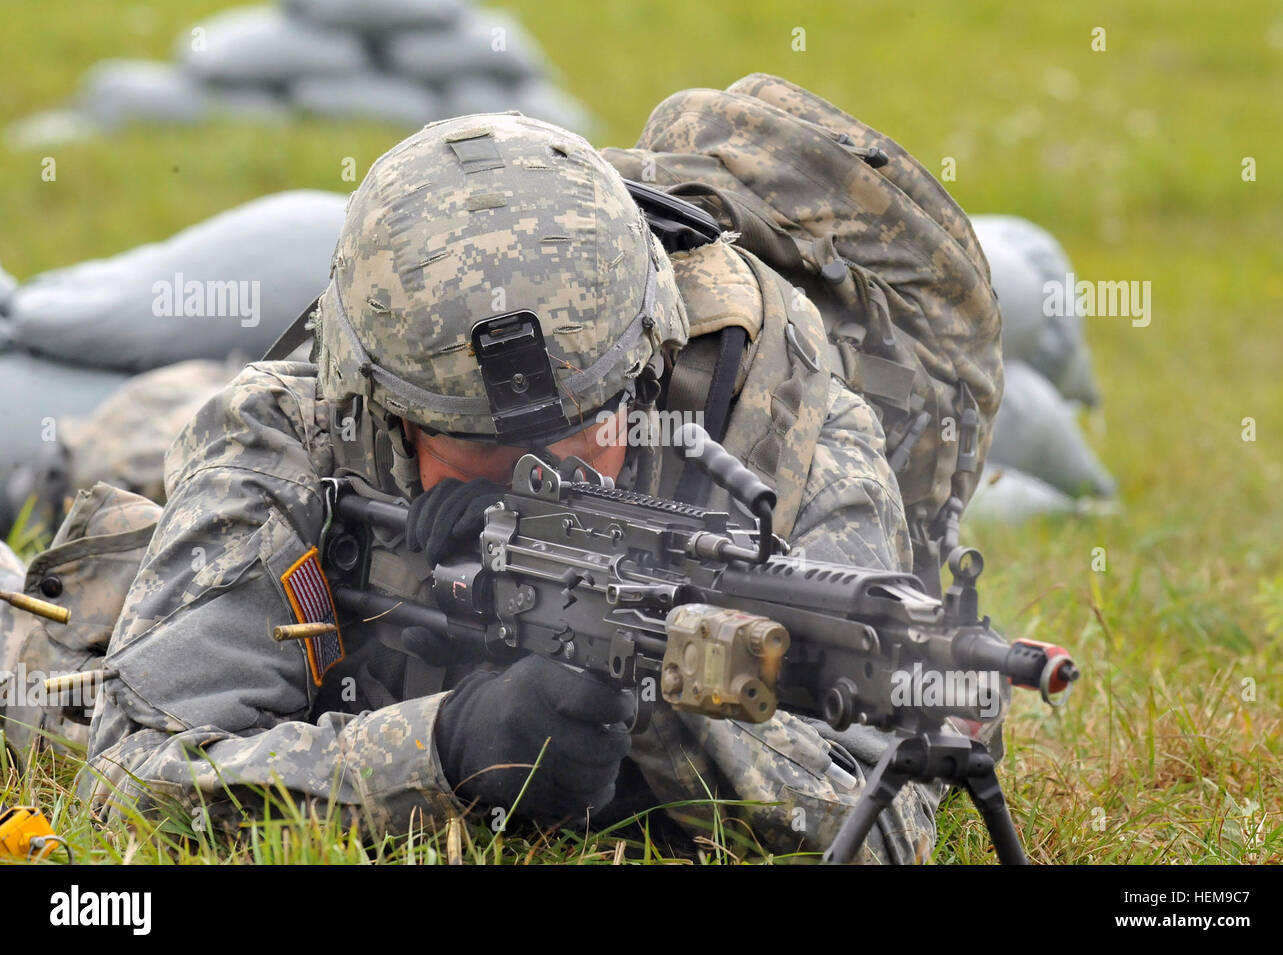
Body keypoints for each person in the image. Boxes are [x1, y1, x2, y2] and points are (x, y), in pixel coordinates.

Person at [76, 112, 956, 863]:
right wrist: (448, 750)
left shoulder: (781, 422)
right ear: (382, 410)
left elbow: (894, 809)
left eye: (581, 435)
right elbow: (125, 787)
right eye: (484, 455)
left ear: (648, 365)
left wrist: (664, 690)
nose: (543, 481)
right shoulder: (290, 437)